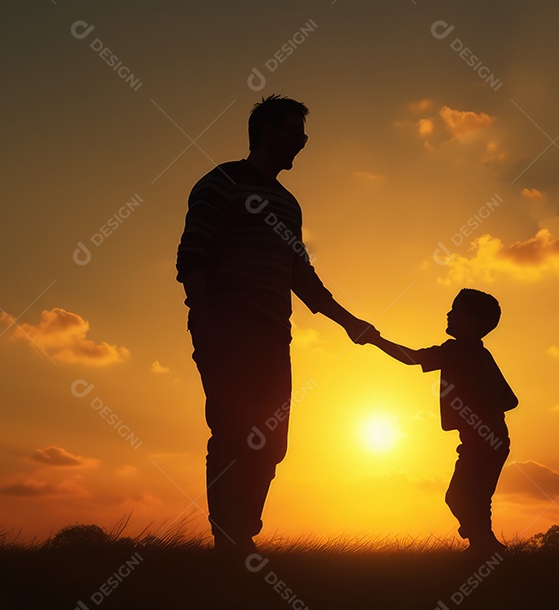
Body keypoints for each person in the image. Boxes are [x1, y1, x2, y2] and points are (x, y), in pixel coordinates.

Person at [176, 95, 375, 554]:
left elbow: (300, 274)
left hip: (272, 338)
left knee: (270, 443)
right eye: (294, 134)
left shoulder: (288, 204)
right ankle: (231, 541)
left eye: (303, 136)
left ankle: (241, 531)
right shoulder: (220, 183)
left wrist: (349, 323)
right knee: (231, 432)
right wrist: (205, 324)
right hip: (227, 328)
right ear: (266, 132)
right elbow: (192, 257)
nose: (301, 144)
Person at [369, 288, 517, 554]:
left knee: (462, 497)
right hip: (490, 438)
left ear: (471, 321)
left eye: (455, 311)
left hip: (483, 440)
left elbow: (412, 358)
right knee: (473, 498)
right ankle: (483, 546)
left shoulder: (457, 351)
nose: (448, 314)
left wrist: (375, 340)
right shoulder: (480, 354)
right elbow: (510, 400)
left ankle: (484, 546)